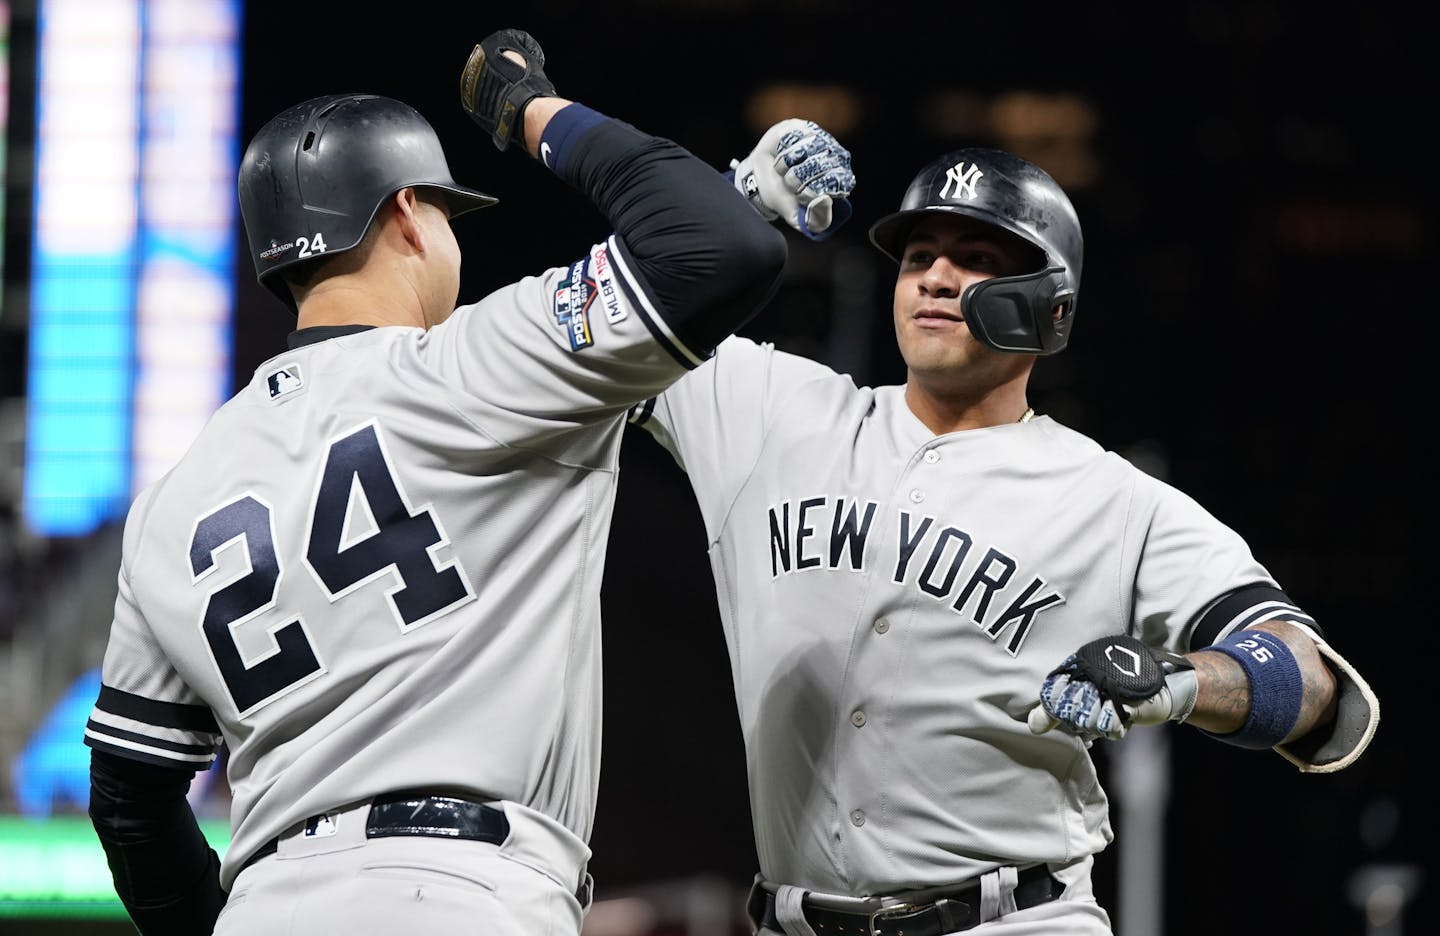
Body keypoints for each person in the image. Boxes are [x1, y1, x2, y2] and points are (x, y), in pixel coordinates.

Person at [78, 26, 853, 936]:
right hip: (463, 893)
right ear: (408, 212)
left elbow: (130, 804)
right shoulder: (473, 366)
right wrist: (529, 108)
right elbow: (714, 250)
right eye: (446, 214)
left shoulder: (174, 497)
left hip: (267, 901)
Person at [626, 144, 1381, 933]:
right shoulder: (771, 410)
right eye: (919, 255)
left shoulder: (1112, 501)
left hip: (1012, 920)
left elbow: (1316, 686)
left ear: (1051, 305)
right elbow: (589, 318)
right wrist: (732, 194)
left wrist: (1179, 682)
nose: (937, 277)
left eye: (977, 258)